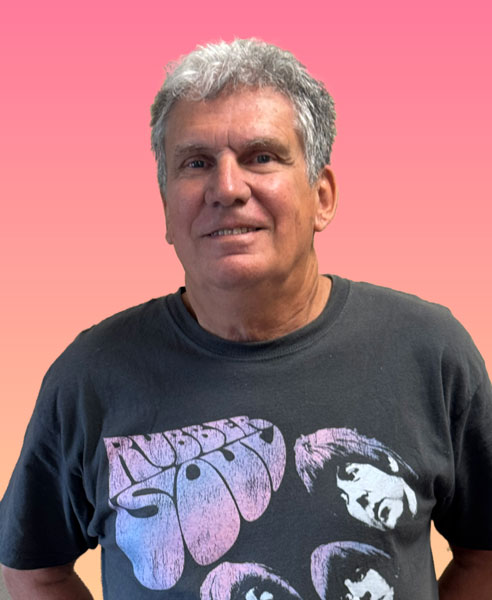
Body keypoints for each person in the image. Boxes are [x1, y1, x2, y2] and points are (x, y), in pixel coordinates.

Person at [1, 38, 492, 599]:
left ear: (322, 197)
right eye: (196, 163)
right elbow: (32, 569)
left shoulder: (429, 352)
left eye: (261, 157)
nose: (227, 188)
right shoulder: (89, 376)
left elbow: (484, 553)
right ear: (167, 210)